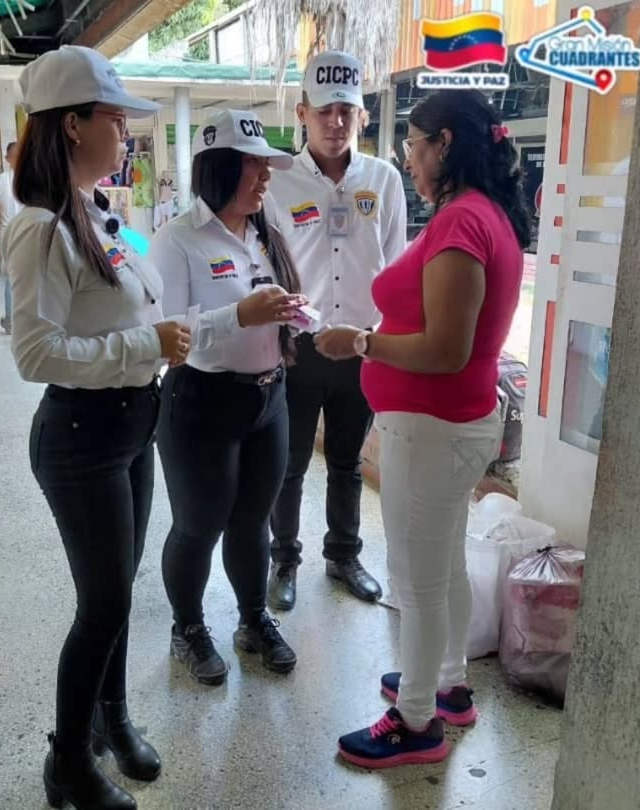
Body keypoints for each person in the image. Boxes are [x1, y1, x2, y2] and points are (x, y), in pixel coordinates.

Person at [2, 45, 192, 809]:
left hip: (131, 424)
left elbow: (141, 298)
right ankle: (69, 763)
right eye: (115, 119)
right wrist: (145, 345)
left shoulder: (100, 215)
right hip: (81, 437)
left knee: (119, 590)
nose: (126, 133)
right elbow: (35, 353)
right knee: (104, 604)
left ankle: (113, 720)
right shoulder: (42, 228)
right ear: (73, 125)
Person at [319, 90, 530, 768]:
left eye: (413, 144)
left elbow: (445, 350)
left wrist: (361, 343)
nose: (407, 159)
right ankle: (447, 684)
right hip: (449, 425)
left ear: (444, 144)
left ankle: (415, 721)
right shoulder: (479, 213)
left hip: (434, 428)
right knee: (442, 565)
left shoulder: (463, 222)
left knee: (416, 578)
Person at [149, 109, 306, 686]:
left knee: (252, 521)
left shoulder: (266, 233)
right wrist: (240, 314)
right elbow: (167, 333)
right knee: (199, 524)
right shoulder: (177, 239)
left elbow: (272, 305)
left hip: (269, 399)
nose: (265, 177)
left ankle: (252, 618)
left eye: (267, 166)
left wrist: (292, 311)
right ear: (217, 169)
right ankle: (187, 628)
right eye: (252, 166)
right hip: (202, 401)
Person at [265, 50, 407, 611]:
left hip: (361, 347)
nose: (335, 122)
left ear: (362, 115)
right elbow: (266, 266)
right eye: (324, 110)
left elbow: (395, 267)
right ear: (302, 112)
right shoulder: (277, 181)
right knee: (289, 465)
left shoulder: (384, 180)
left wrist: (382, 342)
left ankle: (344, 555)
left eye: (346, 110)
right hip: (298, 348)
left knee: (349, 462)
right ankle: (283, 558)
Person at [0, 141, 20, 333]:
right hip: (31, 232)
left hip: (7, 236)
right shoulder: (36, 179)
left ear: (7, 159)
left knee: (11, 279)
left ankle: (11, 322)